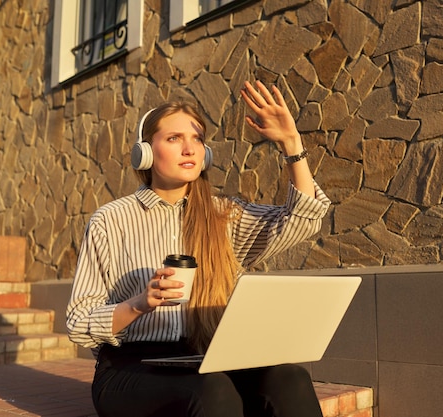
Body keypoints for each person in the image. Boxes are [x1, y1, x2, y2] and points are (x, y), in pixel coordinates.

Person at [66, 80, 331, 417]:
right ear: (144, 152)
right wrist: (138, 304)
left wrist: (291, 143)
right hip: (131, 367)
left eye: (197, 140)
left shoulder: (223, 215)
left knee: (290, 378)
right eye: (174, 138)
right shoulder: (110, 220)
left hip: (206, 358)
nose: (189, 149)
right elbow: (78, 321)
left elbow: (303, 218)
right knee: (214, 392)